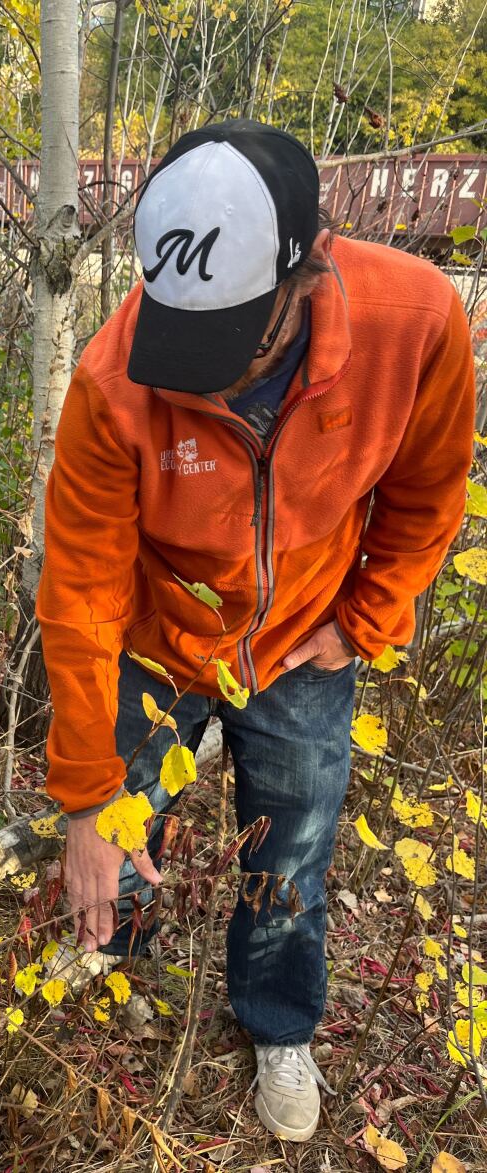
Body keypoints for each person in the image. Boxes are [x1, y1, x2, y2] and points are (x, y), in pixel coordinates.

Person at [35, 119, 476, 1144]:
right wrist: (85, 793)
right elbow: (81, 589)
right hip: (156, 633)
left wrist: (364, 621)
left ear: (307, 269)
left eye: (238, 345)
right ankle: (115, 942)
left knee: (292, 850)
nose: (209, 380)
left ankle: (278, 1021)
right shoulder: (115, 380)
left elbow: (427, 493)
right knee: (120, 818)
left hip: (302, 637)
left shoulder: (414, 320)